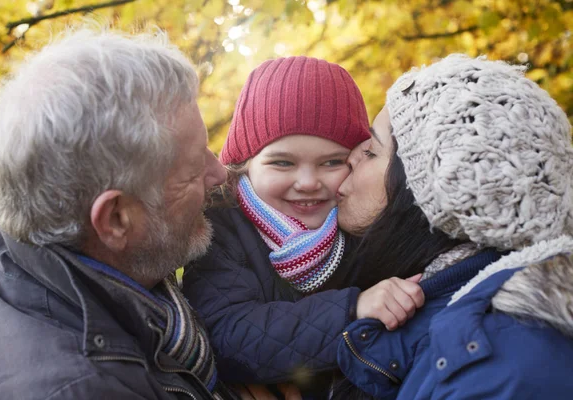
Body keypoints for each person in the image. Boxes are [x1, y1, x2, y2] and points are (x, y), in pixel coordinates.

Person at [0, 28, 236, 399]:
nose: (219, 173)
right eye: (193, 170)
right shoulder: (83, 388)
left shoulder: (43, 260)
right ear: (115, 220)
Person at [182, 56, 425, 398]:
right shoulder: (223, 229)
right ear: (245, 164)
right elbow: (226, 336)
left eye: (331, 162)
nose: (308, 182)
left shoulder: (360, 228)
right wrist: (351, 311)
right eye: (283, 162)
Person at [334, 54, 573, 399]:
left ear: (425, 195)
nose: (351, 157)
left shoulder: (502, 367)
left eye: (372, 151)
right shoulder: (438, 325)